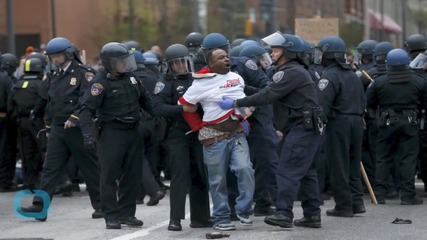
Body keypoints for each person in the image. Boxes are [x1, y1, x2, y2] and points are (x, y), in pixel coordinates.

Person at [220, 32, 323, 229]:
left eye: (276, 50)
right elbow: (267, 91)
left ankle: (284, 214)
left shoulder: (289, 71)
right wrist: (242, 88)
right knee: (307, 171)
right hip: (306, 127)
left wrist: (235, 102)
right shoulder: (295, 70)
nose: (272, 53)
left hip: (302, 127)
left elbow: (267, 95)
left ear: (289, 52)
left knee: (286, 169)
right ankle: (312, 215)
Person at [18, 37, 102, 221]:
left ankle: (102, 206)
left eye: (58, 56)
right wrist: (47, 123)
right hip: (58, 128)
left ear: (68, 54)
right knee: (50, 168)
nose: (55, 60)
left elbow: (88, 99)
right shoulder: (54, 76)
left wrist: (76, 117)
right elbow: (51, 102)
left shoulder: (83, 73)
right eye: (52, 57)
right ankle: (40, 207)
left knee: (90, 168)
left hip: (77, 128)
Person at [79, 42, 152, 229]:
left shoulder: (132, 78)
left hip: (133, 132)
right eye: (121, 61)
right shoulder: (100, 82)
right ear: (110, 62)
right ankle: (111, 215)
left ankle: (127, 214)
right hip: (112, 133)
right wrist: (87, 134)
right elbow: (86, 109)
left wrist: (161, 116)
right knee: (109, 176)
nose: (125, 64)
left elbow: (146, 101)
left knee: (132, 174)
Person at [181, 48, 255, 231]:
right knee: (218, 180)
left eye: (226, 56)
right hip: (214, 138)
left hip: (237, 134)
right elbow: (186, 107)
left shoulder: (237, 78)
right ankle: (221, 217)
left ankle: (244, 209)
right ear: (211, 64)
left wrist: (246, 113)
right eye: (220, 57)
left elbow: (246, 102)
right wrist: (198, 128)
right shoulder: (200, 83)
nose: (226, 59)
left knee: (245, 169)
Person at [151, 43, 212, 231]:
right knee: (180, 176)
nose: (181, 66)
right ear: (170, 65)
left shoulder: (197, 79)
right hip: (176, 134)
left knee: (200, 174)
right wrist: (181, 109)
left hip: (197, 133)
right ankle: (175, 219)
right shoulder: (165, 82)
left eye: (184, 62)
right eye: (176, 63)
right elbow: (157, 107)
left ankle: (201, 218)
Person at [367, 49, 427, 205]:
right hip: (410, 122)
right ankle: (407, 196)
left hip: (386, 122)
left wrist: (377, 118)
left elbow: (369, 104)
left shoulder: (379, 82)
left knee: (382, 158)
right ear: (407, 63)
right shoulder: (419, 81)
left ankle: (379, 195)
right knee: (408, 159)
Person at [315, 36, 366, 217]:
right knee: (353, 163)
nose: (319, 57)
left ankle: (344, 205)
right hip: (357, 122)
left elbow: (322, 105)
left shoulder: (329, 76)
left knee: (338, 165)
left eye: (321, 53)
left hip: (339, 123)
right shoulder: (352, 74)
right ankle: (357, 202)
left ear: (328, 54)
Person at [7, 56, 47, 190]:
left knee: (26, 153)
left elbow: (10, 106)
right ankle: (44, 181)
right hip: (38, 122)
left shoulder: (18, 83)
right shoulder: (41, 84)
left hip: (22, 122)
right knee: (43, 151)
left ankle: (29, 182)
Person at [132, 50, 165, 206]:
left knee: (136, 158)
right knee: (150, 158)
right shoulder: (153, 79)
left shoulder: (129, 79)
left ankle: (148, 191)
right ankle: (144, 192)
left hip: (136, 123)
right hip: (153, 123)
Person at [0, 52, 15, 192]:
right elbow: (11, 99)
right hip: (3, 118)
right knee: (4, 150)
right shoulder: (5, 79)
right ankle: (4, 182)